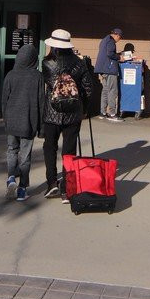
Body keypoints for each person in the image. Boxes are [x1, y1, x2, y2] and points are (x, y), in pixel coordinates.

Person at [41, 28, 95, 201]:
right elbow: (88, 88)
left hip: (52, 112)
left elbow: (51, 85)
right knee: (69, 150)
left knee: (50, 147)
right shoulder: (80, 63)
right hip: (74, 113)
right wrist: (84, 108)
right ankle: (67, 188)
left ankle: (52, 183)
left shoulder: (47, 63)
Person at [1, 43, 44, 202]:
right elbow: (41, 102)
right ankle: (22, 189)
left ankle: (11, 178)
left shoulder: (10, 75)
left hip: (11, 120)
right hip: (29, 121)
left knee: (12, 150)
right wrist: (41, 127)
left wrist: (5, 119)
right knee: (25, 156)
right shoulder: (37, 76)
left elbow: (4, 100)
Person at [95, 26, 123, 121]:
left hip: (103, 69)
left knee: (105, 90)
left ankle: (102, 112)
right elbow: (110, 54)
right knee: (112, 91)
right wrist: (119, 57)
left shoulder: (104, 40)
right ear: (117, 35)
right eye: (120, 37)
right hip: (110, 69)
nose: (119, 39)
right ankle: (112, 114)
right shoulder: (111, 42)